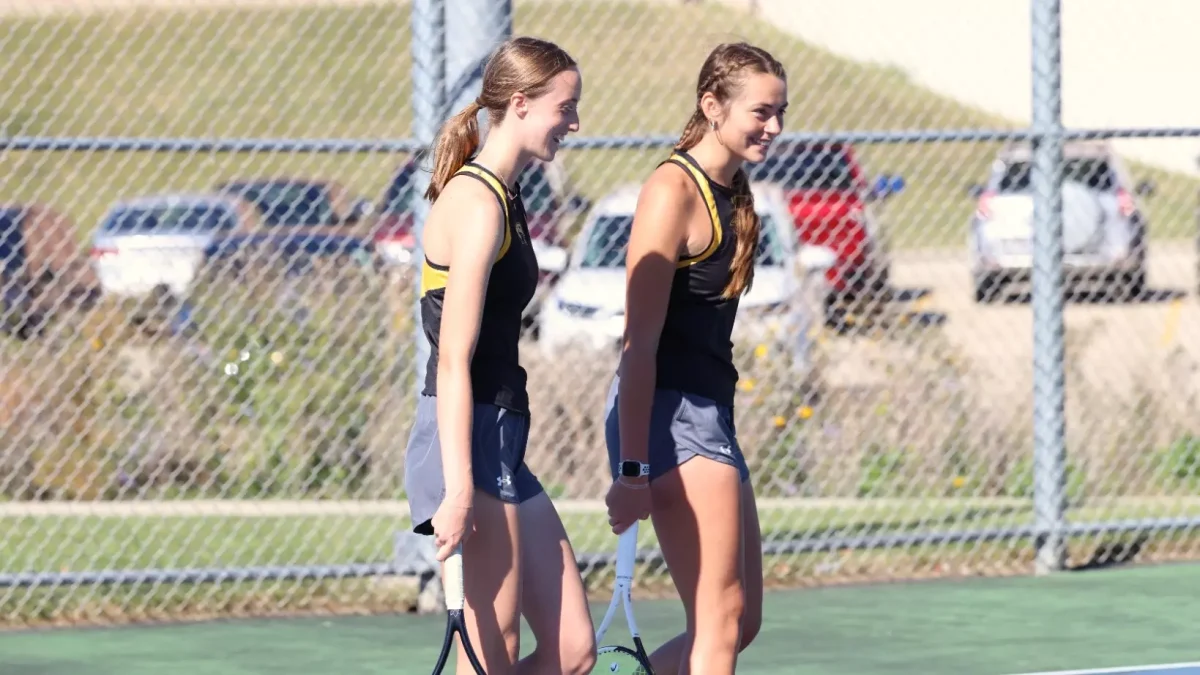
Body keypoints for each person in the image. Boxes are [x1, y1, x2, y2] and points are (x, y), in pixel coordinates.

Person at [403, 36, 596, 675]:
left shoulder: (505, 197)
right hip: (468, 438)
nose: (573, 122)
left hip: (503, 434)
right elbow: (453, 358)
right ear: (520, 104)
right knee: (493, 655)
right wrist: (458, 487)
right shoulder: (477, 203)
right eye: (564, 107)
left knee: (572, 652)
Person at [603, 41, 788, 675]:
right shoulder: (671, 190)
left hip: (709, 413)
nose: (775, 127)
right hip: (666, 415)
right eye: (761, 112)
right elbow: (638, 343)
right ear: (713, 105)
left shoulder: (735, 189)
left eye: (781, 111)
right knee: (721, 619)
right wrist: (631, 471)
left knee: (742, 623)